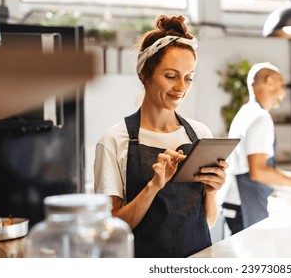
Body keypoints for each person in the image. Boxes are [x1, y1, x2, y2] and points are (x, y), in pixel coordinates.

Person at [93, 15, 227, 258]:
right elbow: (110, 233)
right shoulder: (114, 140)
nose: (181, 88)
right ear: (145, 73)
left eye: (188, 78)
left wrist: (211, 191)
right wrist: (154, 186)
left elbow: (206, 222)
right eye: (171, 76)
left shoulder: (200, 134)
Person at [222, 62, 291, 235]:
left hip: (235, 202)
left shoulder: (245, 112)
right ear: (269, 82)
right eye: (281, 86)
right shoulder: (261, 118)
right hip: (247, 203)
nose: (283, 93)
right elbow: (259, 171)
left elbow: (254, 167)